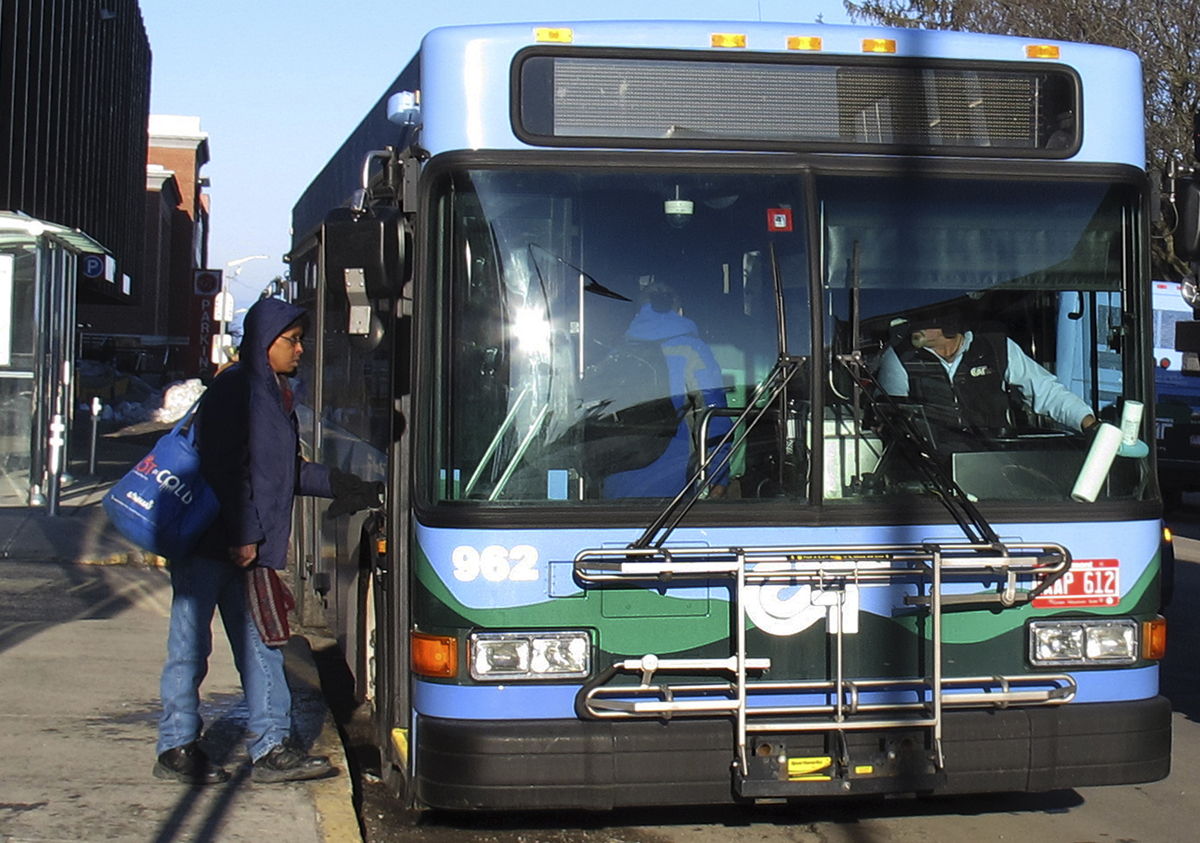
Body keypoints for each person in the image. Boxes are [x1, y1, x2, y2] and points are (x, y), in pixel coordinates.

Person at [153, 297, 377, 785]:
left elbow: (278, 471)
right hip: (212, 543)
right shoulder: (236, 391)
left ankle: (272, 745)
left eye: (300, 340)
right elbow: (224, 468)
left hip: (245, 546)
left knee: (262, 645)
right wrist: (244, 534)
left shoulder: (274, 394)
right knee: (191, 645)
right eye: (291, 341)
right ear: (263, 343)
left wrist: (340, 483)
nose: (299, 349)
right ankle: (175, 747)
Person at [875, 314, 1097, 446]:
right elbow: (892, 422)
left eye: (924, 321)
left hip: (995, 463)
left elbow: (1047, 392)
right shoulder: (898, 358)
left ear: (950, 325)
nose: (915, 327)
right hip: (931, 474)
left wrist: (1088, 424)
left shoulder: (996, 348)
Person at [602, 283, 732, 498]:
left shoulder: (618, 351)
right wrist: (718, 475)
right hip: (673, 479)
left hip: (617, 478)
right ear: (678, 310)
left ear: (639, 311)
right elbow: (714, 414)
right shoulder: (692, 349)